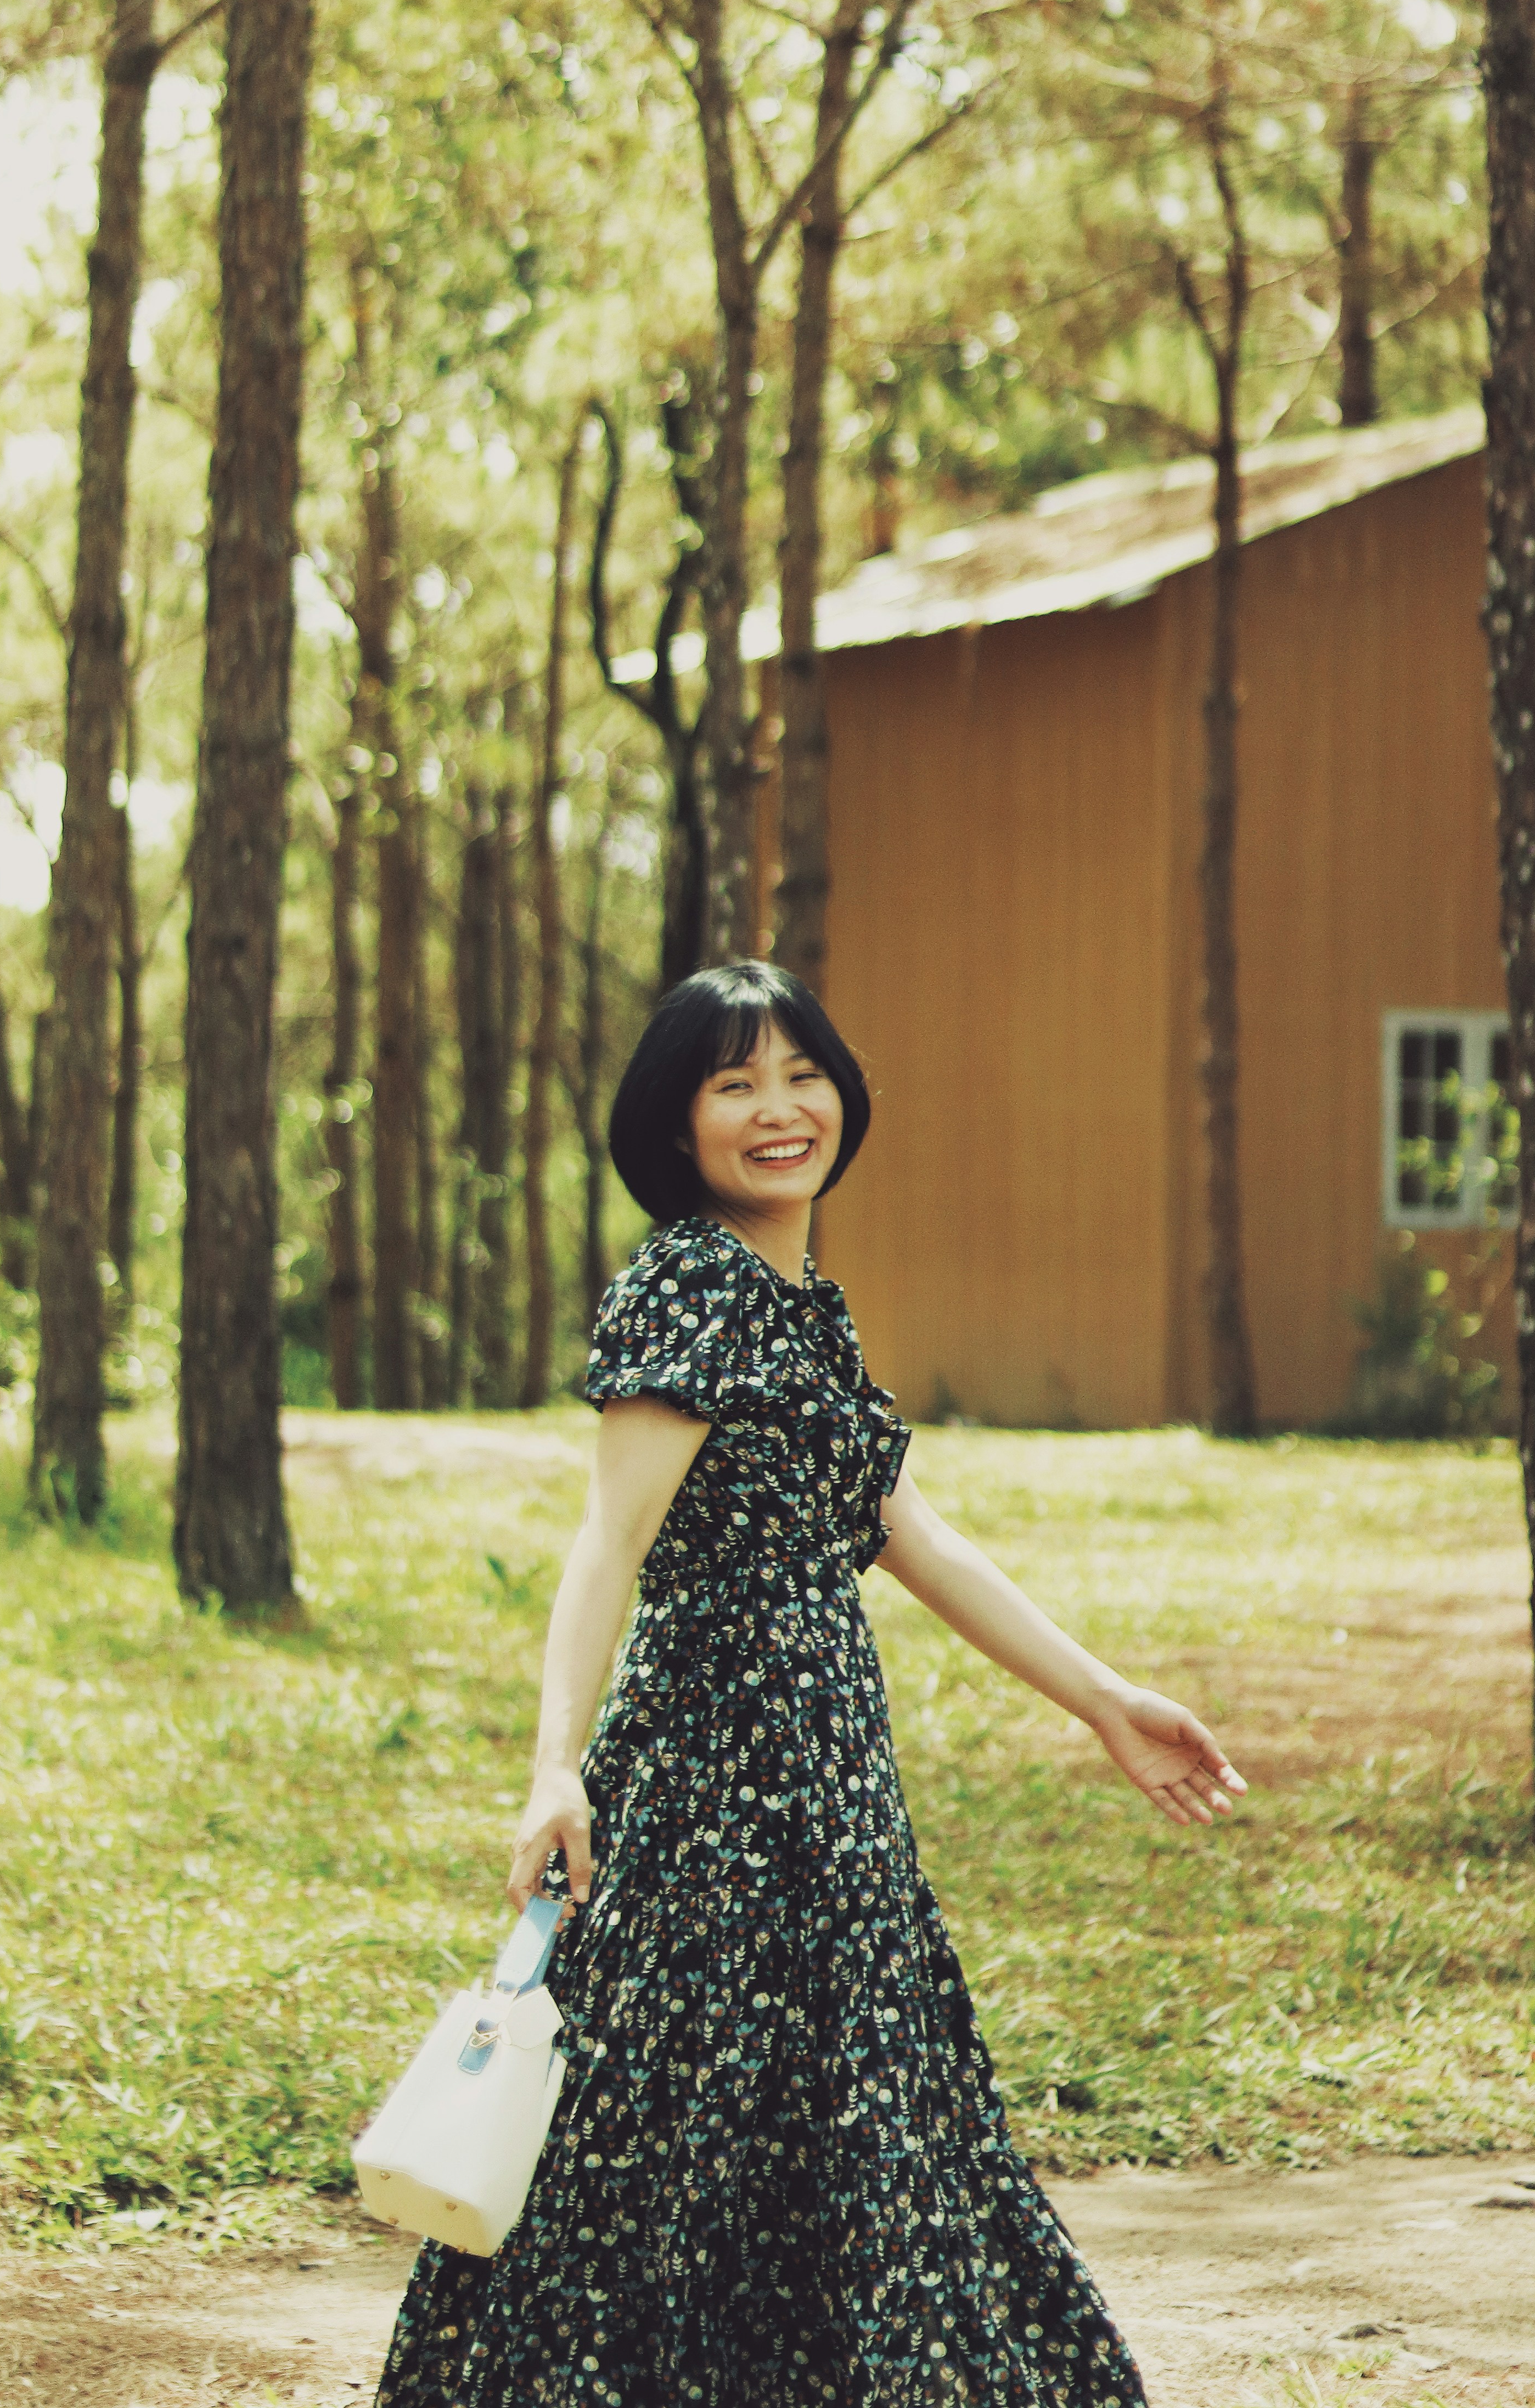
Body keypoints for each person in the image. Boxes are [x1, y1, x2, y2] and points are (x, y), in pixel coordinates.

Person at [375, 958, 1244, 2408]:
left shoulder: (800, 1307)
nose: (779, 1109)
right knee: (679, 2134)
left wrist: (1104, 1700)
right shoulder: (694, 1284)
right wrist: (553, 1765)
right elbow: (607, 1543)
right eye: (735, 1085)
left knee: (844, 2123)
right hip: (709, 1790)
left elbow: (914, 1536)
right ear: (678, 1125)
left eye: (802, 1076)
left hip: (829, 1793)